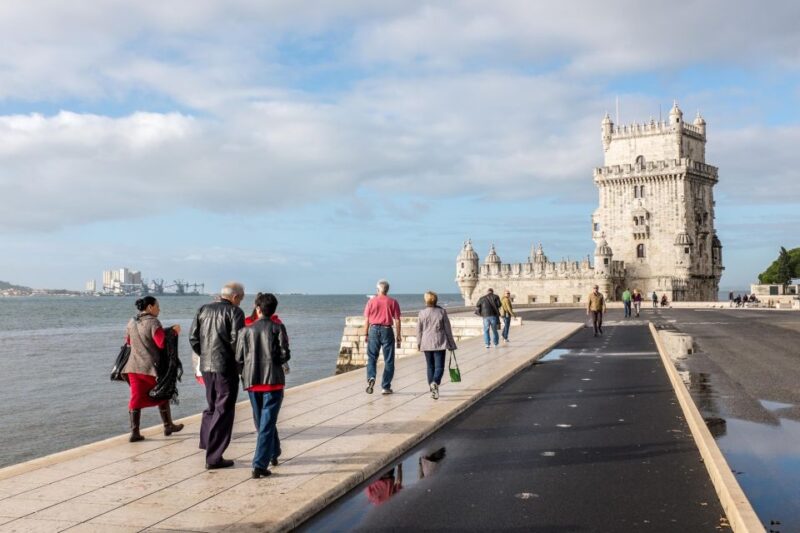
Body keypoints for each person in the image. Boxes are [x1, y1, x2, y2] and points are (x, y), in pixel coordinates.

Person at [189, 282, 246, 469]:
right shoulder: (235, 312)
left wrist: (205, 354)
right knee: (224, 409)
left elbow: (193, 338)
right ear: (235, 297)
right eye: (241, 298)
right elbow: (237, 341)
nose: (241, 302)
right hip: (225, 367)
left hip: (206, 365)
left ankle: (206, 442)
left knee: (212, 405)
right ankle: (214, 457)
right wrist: (239, 364)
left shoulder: (203, 309)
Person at [236, 293, 290, 479]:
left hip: (252, 382)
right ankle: (267, 458)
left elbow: (239, 358)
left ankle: (262, 461)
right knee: (265, 424)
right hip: (273, 381)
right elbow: (285, 355)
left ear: (258, 309)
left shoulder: (245, 331)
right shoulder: (278, 327)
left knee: (263, 423)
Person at [122, 296, 184, 442]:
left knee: (137, 397)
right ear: (150, 307)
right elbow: (161, 343)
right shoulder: (153, 322)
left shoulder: (132, 321)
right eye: (157, 306)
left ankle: (136, 432)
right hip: (150, 367)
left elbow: (128, 342)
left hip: (132, 367)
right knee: (162, 393)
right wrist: (173, 331)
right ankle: (167, 425)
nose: (159, 309)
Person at [417, 291, 457, 400]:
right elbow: (448, 329)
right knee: (439, 367)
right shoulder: (441, 312)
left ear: (426, 301)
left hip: (426, 343)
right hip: (439, 342)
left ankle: (432, 388)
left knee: (430, 366)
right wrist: (452, 344)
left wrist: (419, 343)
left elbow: (419, 331)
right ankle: (435, 382)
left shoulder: (421, 313)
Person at [364, 279, 402, 395]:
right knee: (389, 360)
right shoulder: (393, 301)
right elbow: (397, 320)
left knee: (372, 357)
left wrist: (366, 334)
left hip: (374, 330)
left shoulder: (371, 302)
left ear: (377, 290)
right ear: (387, 290)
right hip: (387, 330)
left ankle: (371, 377)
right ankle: (385, 387)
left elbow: (366, 320)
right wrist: (399, 335)